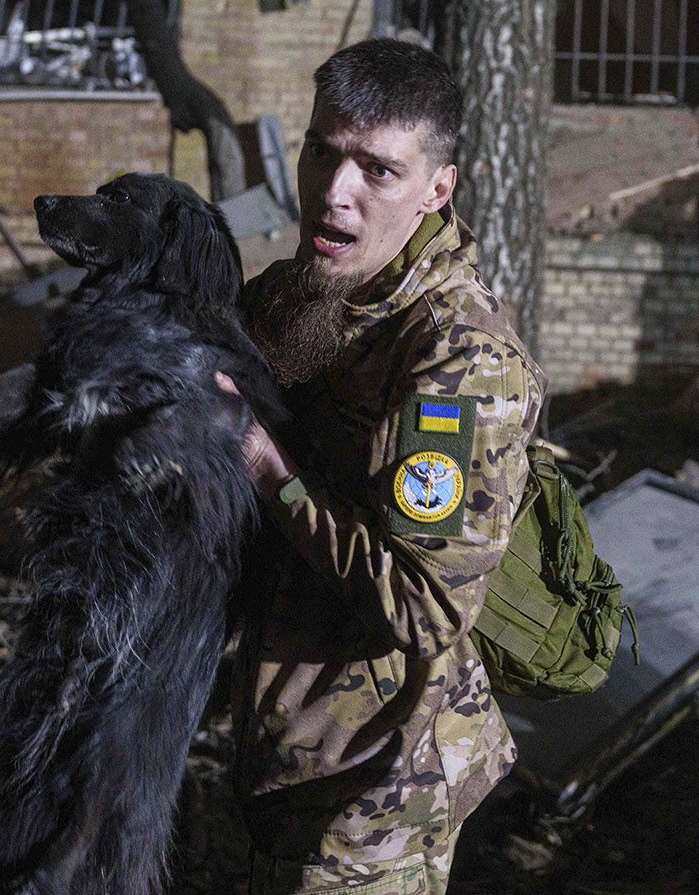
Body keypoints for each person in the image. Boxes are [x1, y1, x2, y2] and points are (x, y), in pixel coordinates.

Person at [221, 38, 545, 894]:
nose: (335, 192)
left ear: (438, 189)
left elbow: (423, 600)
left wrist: (269, 471)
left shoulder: (459, 363)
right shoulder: (297, 298)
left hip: (374, 797)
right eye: (322, 152)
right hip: (278, 755)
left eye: (378, 170)